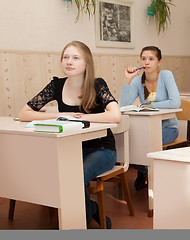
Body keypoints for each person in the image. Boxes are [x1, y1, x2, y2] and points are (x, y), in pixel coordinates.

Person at [19, 41, 121, 229]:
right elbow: (24, 113)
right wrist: (60, 115)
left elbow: (115, 116)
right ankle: (91, 209)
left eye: (75, 58)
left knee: (74, 177)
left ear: (86, 63)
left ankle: (78, 222)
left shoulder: (97, 84)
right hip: (71, 149)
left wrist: (83, 118)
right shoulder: (56, 85)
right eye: (65, 57)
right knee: (48, 174)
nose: (69, 62)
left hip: (101, 149)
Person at [120, 46, 180, 190]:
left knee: (146, 143)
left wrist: (149, 104)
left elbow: (175, 102)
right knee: (136, 143)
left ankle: (147, 173)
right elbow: (123, 105)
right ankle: (143, 172)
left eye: (151, 59)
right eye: (143, 58)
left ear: (159, 62)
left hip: (168, 128)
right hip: (147, 128)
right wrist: (127, 80)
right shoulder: (137, 81)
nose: (146, 62)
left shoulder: (166, 76)